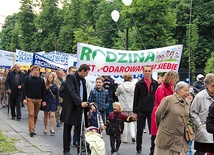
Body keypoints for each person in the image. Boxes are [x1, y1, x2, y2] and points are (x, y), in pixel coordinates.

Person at [61, 64, 90, 155]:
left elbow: (84, 94)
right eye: (86, 73)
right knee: (67, 128)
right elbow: (71, 91)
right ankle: (66, 149)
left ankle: (79, 147)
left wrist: (87, 105)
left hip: (80, 108)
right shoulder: (71, 77)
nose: (87, 75)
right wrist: (79, 102)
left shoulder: (83, 80)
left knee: (80, 128)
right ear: (82, 71)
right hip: (71, 107)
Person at [154, 81, 191, 155]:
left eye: (188, 90)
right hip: (167, 138)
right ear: (177, 90)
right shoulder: (168, 100)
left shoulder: (187, 102)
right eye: (185, 90)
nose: (187, 93)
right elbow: (158, 115)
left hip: (181, 139)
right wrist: (162, 128)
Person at [150, 70, 179, 155]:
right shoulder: (161, 88)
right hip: (160, 112)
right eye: (175, 80)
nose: (176, 81)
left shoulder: (171, 88)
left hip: (166, 113)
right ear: (171, 79)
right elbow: (161, 103)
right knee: (156, 136)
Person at [133, 65, 159, 155]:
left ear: (151, 72)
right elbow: (135, 98)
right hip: (141, 110)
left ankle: (153, 149)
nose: (147, 72)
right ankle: (138, 149)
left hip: (152, 110)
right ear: (143, 72)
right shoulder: (139, 84)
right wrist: (135, 112)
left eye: (149, 71)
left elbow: (157, 97)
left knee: (153, 131)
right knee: (139, 130)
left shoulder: (155, 83)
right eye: (146, 71)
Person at [190, 73, 214, 155]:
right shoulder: (200, 96)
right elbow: (192, 112)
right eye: (212, 86)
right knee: (201, 151)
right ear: (206, 85)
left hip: (212, 128)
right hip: (203, 129)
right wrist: (199, 125)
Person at [22, 65, 46, 137]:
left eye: (37, 70)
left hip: (39, 99)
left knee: (35, 115)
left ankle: (33, 127)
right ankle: (31, 129)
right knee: (31, 114)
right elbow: (24, 89)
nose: (36, 72)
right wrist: (24, 98)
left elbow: (43, 91)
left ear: (39, 72)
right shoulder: (28, 79)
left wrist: (44, 100)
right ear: (32, 71)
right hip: (30, 99)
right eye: (34, 70)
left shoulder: (41, 80)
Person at [115, 73, 136, 143]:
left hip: (123, 106)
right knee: (131, 121)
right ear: (130, 79)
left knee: (124, 122)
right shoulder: (133, 86)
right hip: (131, 106)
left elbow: (116, 94)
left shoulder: (121, 86)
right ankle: (133, 135)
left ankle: (125, 139)